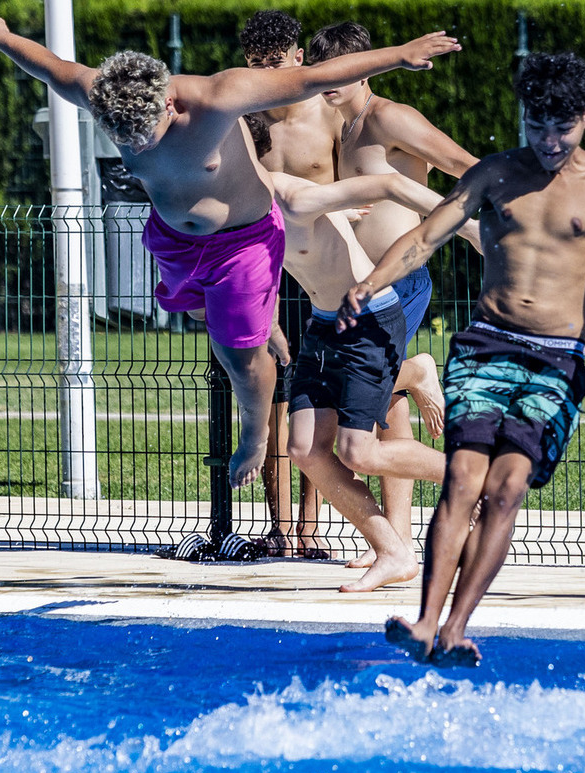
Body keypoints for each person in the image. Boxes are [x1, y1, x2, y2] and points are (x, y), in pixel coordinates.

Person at [0, 5, 462, 491]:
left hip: (257, 246)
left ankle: (255, 432)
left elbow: (315, 77)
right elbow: (54, 68)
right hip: (174, 242)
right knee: (218, 331)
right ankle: (290, 347)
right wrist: (1, 36)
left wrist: (399, 54)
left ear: (166, 105)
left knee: (246, 356)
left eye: (144, 135)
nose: (136, 148)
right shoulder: (106, 92)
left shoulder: (221, 95)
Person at [338, 52, 585, 662]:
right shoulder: (496, 175)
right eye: (535, 126)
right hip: (487, 345)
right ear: (522, 117)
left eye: (562, 128)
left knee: (507, 487)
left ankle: (456, 628)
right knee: (463, 477)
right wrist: (369, 284)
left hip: (556, 358)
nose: (548, 142)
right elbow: (425, 236)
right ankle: (425, 623)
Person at [308, 22, 481, 568]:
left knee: (366, 395)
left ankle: (418, 371)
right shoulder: (342, 129)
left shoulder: (390, 117)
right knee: (384, 410)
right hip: (361, 283)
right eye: (322, 71)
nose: (330, 81)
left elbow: (468, 168)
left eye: (340, 69)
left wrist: (477, 229)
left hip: (399, 282)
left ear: (367, 66)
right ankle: (398, 540)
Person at [267, 166, 454, 592]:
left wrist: (469, 225)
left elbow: (391, 183)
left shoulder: (292, 196)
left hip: (369, 319)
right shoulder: (238, 211)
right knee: (304, 447)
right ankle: (393, 551)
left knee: (359, 451)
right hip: (322, 324)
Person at [239, 10, 341, 557]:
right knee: (274, 401)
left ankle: (310, 527)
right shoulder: (246, 123)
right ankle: (280, 530)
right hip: (267, 273)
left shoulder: (329, 117)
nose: (268, 77)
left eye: (276, 65)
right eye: (257, 67)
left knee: (317, 402)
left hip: (323, 274)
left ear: (299, 59)